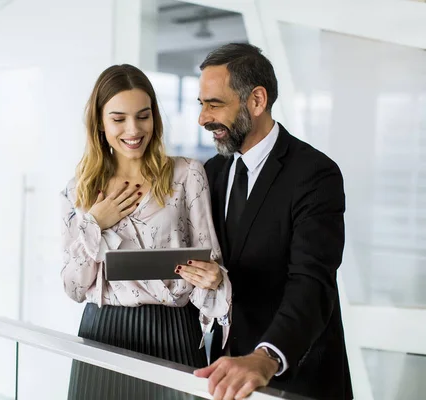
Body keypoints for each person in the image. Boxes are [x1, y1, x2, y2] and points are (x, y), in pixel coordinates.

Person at [189, 43, 353, 400]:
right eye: (201, 105)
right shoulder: (210, 173)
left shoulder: (315, 174)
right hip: (223, 379)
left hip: (295, 378)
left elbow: (312, 283)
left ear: (257, 101)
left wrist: (266, 357)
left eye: (214, 104)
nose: (203, 118)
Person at [60, 64, 232, 399]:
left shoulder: (187, 175)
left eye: (143, 115)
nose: (133, 129)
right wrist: (95, 223)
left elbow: (211, 264)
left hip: (175, 332)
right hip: (103, 332)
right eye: (118, 118)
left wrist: (214, 278)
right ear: (99, 123)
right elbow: (73, 287)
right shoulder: (77, 191)